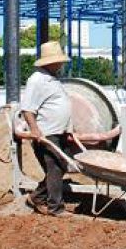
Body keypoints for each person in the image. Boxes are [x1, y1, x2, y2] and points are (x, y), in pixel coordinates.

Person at [20, 41, 73, 218]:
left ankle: (36, 197)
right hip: (47, 133)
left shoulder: (52, 79)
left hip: (59, 132)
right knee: (55, 168)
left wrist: (68, 128)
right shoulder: (37, 80)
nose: (61, 64)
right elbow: (27, 109)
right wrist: (34, 130)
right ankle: (55, 207)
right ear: (50, 62)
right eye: (59, 61)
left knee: (61, 166)